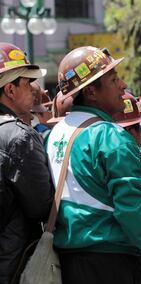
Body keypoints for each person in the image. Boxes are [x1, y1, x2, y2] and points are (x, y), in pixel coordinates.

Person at [45, 46, 141, 284]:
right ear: (91, 91)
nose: (122, 85)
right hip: (113, 262)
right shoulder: (110, 136)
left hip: (69, 262)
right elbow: (133, 208)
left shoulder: (54, 134)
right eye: (113, 79)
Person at [0, 42, 54, 283]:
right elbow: (41, 207)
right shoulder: (20, 136)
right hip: (13, 264)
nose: (35, 89)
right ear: (10, 89)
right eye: (27, 82)